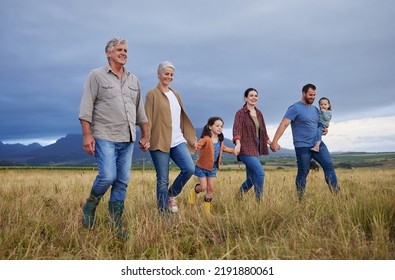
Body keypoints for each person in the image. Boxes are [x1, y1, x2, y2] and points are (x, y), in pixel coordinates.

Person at [79, 37, 149, 239]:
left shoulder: (133, 80)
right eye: (119, 49)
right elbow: (86, 108)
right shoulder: (96, 76)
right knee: (108, 176)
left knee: (122, 181)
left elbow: (140, 112)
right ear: (108, 53)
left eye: (126, 50)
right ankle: (91, 204)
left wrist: (145, 135)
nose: (124, 52)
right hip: (104, 135)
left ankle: (116, 222)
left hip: (127, 138)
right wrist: (86, 135)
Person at [270, 84, 339, 200]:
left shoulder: (316, 109)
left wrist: (325, 130)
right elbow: (284, 124)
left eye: (314, 95)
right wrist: (274, 141)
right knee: (303, 172)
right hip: (302, 146)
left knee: (329, 167)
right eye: (310, 95)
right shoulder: (295, 108)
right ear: (304, 93)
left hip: (318, 144)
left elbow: (319, 124)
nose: (313, 97)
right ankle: (301, 200)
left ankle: (337, 195)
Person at [144, 61, 196, 215]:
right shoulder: (151, 94)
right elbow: (148, 118)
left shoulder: (176, 94)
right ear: (159, 74)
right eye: (166, 73)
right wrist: (146, 138)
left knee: (189, 168)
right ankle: (163, 213)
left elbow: (182, 118)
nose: (169, 77)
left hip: (178, 139)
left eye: (171, 74)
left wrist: (190, 138)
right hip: (159, 140)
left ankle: (171, 194)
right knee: (162, 179)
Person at [188, 117, 235, 217]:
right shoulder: (206, 139)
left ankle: (207, 212)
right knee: (203, 187)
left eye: (221, 126)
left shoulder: (220, 140)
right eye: (217, 126)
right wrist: (194, 144)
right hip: (201, 167)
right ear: (210, 126)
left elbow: (224, 148)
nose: (219, 128)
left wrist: (234, 151)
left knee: (211, 188)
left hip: (212, 168)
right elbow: (198, 146)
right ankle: (193, 191)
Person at [233, 88, 270, 201]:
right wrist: (238, 144)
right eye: (251, 95)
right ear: (246, 98)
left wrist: (271, 143)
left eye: (256, 95)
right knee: (260, 173)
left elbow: (263, 131)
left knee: (252, 178)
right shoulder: (240, 113)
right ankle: (260, 202)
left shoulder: (259, 113)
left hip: (256, 147)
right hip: (245, 147)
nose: (254, 97)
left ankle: (238, 198)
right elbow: (237, 130)